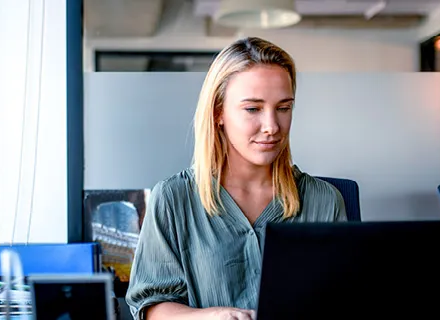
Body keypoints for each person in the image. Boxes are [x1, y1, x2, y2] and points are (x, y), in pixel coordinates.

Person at [125, 37, 347, 320]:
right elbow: (152, 306)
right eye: (253, 109)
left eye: (283, 107)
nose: (272, 126)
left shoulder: (325, 200)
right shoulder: (172, 199)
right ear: (219, 112)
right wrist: (210, 317)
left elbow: (344, 297)